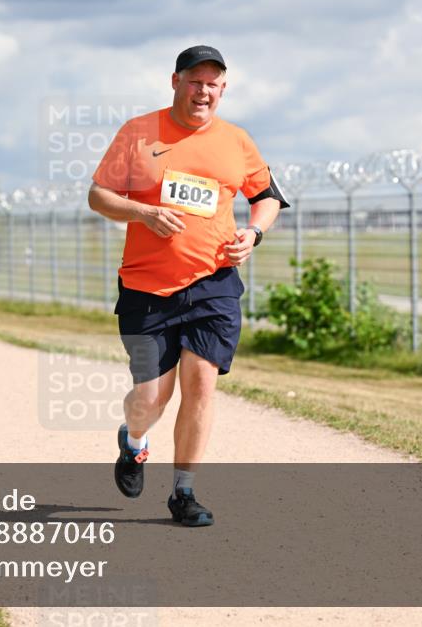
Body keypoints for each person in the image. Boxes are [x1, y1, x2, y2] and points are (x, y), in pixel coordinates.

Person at [88, 45, 289, 527]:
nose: (204, 92)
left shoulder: (236, 140)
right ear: (175, 82)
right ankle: (134, 442)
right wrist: (143, 211)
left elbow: (267, 198)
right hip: (146, 288)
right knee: (151, 398)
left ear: (224, 89)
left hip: (214, 282)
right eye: (195, 81)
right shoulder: (139, 133)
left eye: (213, 84)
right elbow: (99, 195)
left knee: (200, 385)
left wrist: (253, 233)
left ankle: (184, 492)